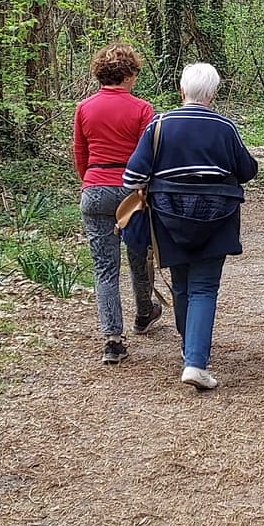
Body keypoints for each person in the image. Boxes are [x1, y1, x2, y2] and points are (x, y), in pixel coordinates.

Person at [121, 63, 259, 390]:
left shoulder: (159, 125)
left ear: (181, 91)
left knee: (183, 286)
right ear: (213, 94)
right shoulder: (225, 126)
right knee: (204, 288)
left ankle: (190, 351)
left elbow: (131, 178)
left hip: (168, 220)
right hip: (218, 219)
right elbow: (247, 170)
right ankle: (195, 361)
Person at [72, 43, 159, 365]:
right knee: (140, 257)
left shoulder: (84, 108)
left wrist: (91, 181)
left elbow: (80, 154)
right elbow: (147, 157)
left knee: (105, 268)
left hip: (94, 188)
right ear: (129, 73)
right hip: (130, 192)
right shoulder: (142, 109)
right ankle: (144, 312)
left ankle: (113, 338)